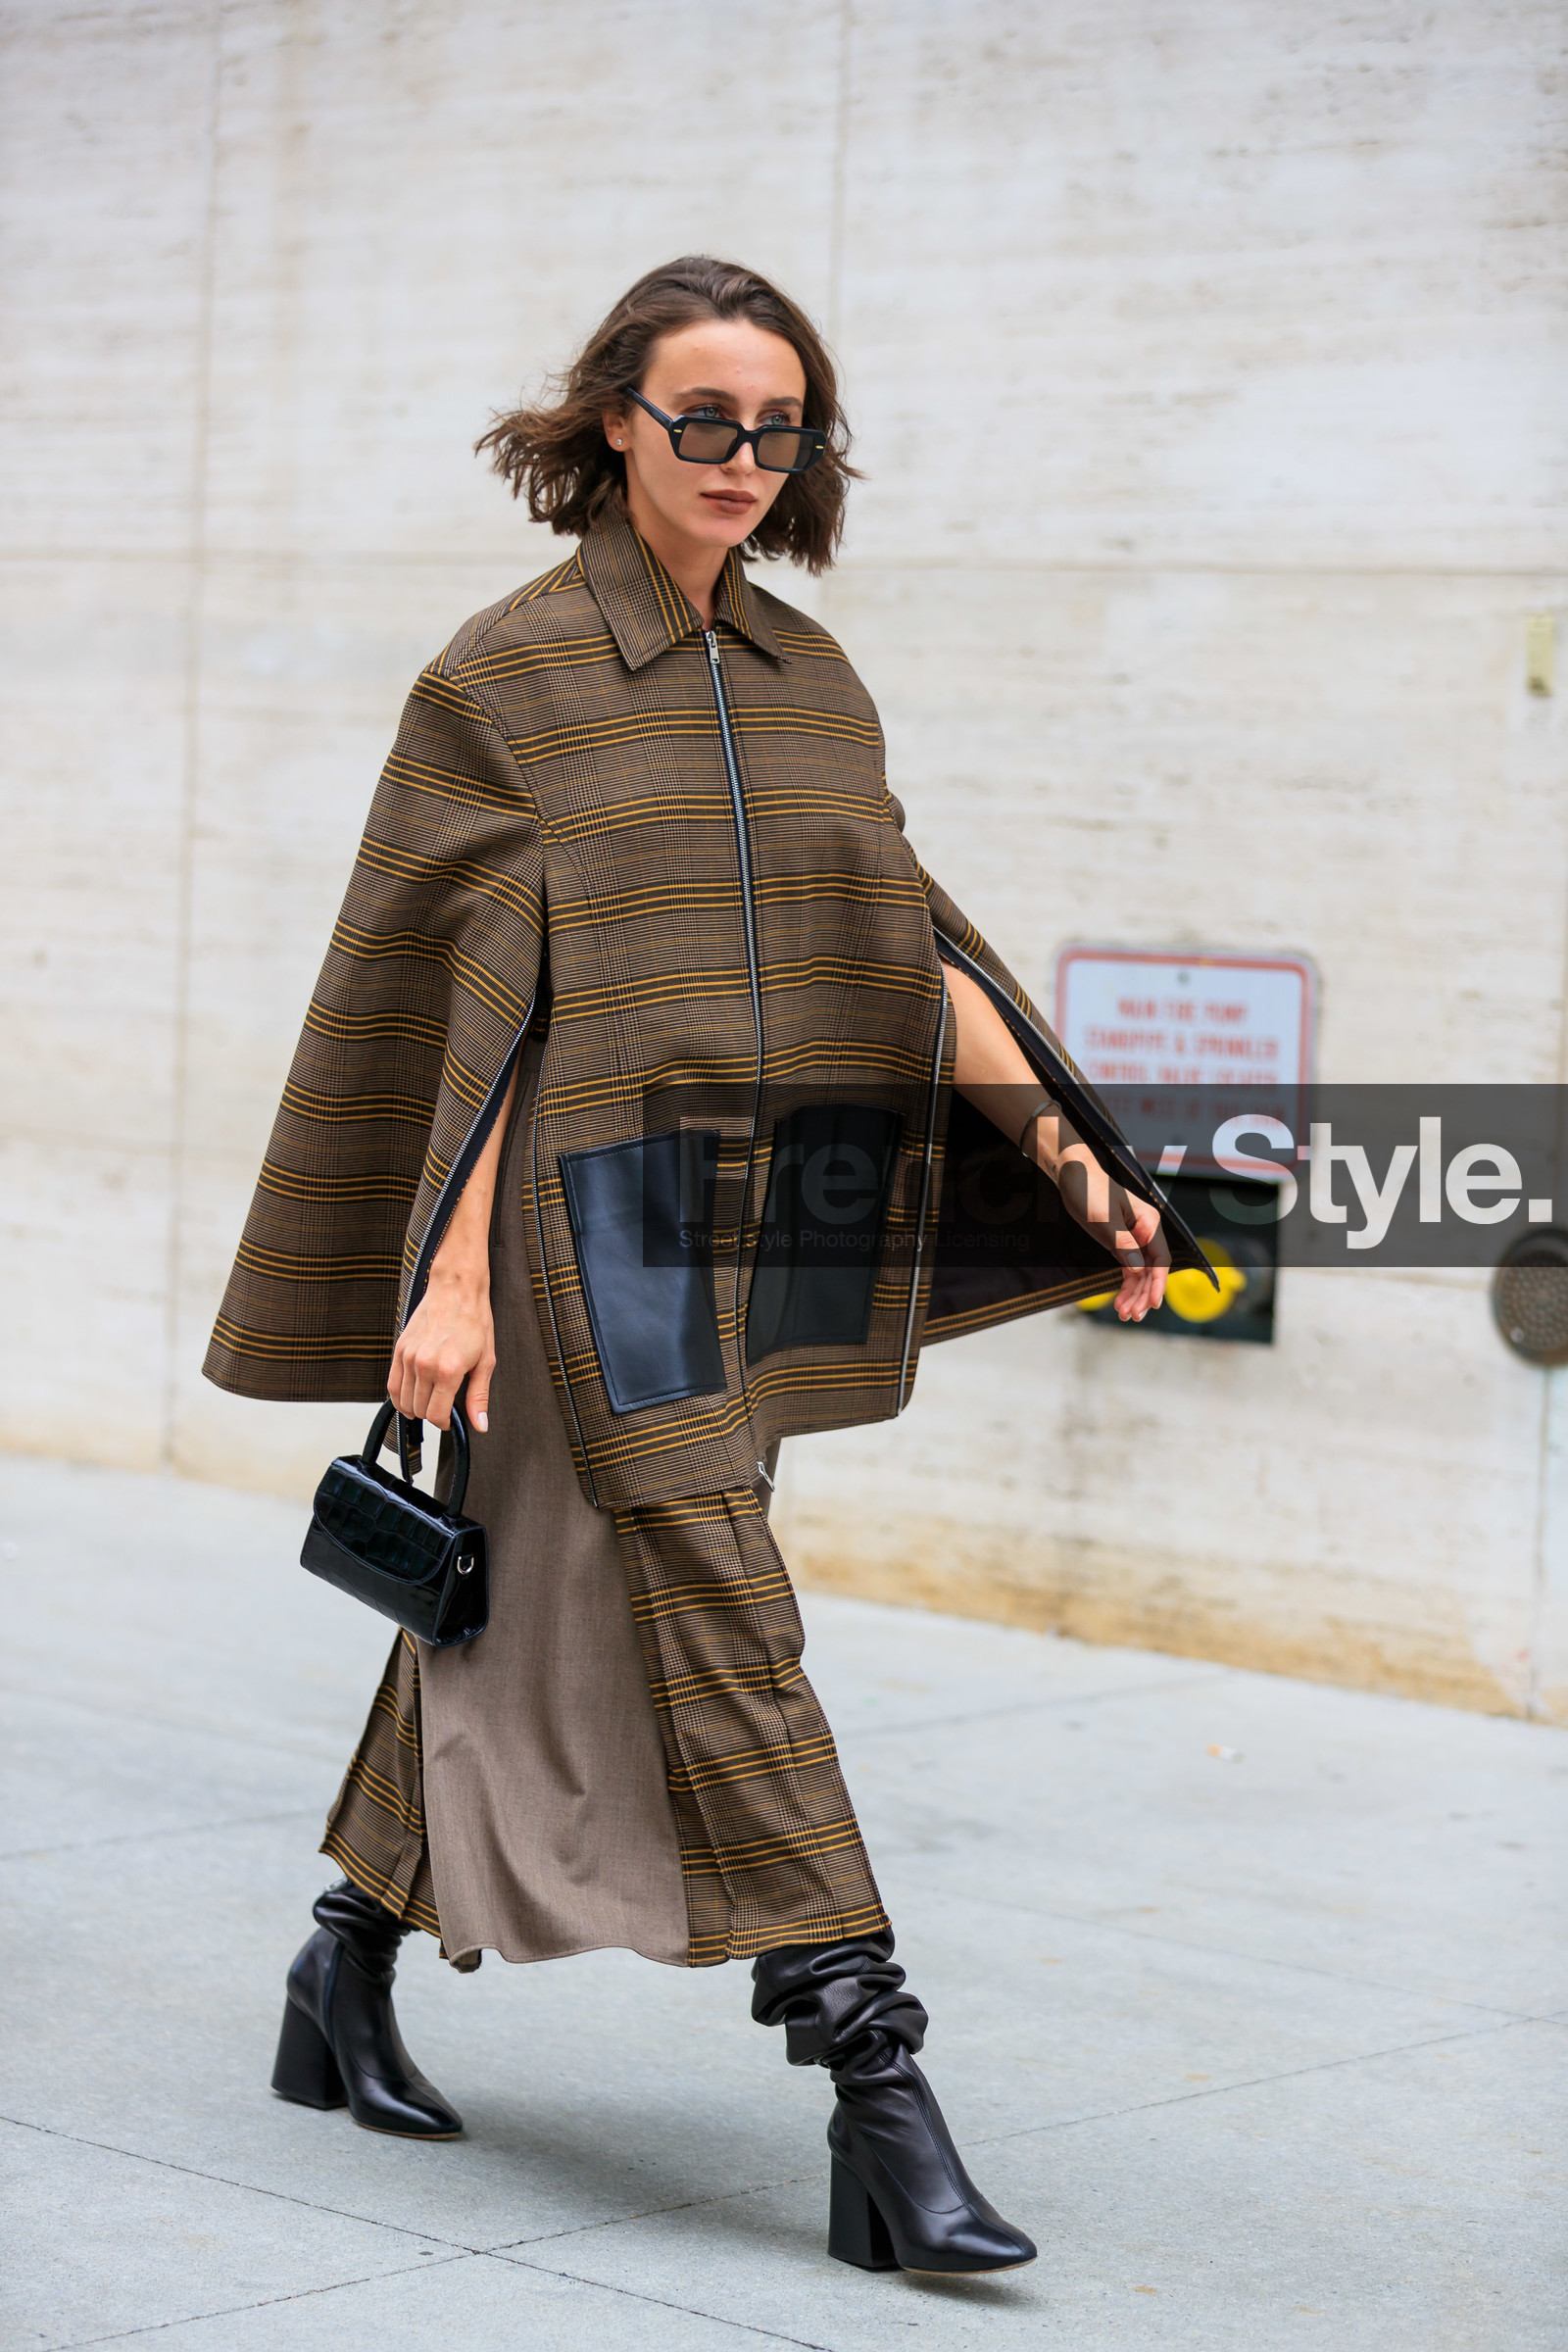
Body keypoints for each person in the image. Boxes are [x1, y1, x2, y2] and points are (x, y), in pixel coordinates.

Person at [206, 255, 1180, 2278]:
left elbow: (903, 938)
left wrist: (1068, 1150)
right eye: (703, 420)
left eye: (778, 427)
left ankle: (338, 1960)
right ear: (611, 425)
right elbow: (473, 1006)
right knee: (715, 1595)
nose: (743, 459)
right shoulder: (511, 676)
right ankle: (871, 2081)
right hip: (579, 1224)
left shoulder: (812, 680)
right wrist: (448, 1283)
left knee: (543, 1585)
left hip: (758, 1215)